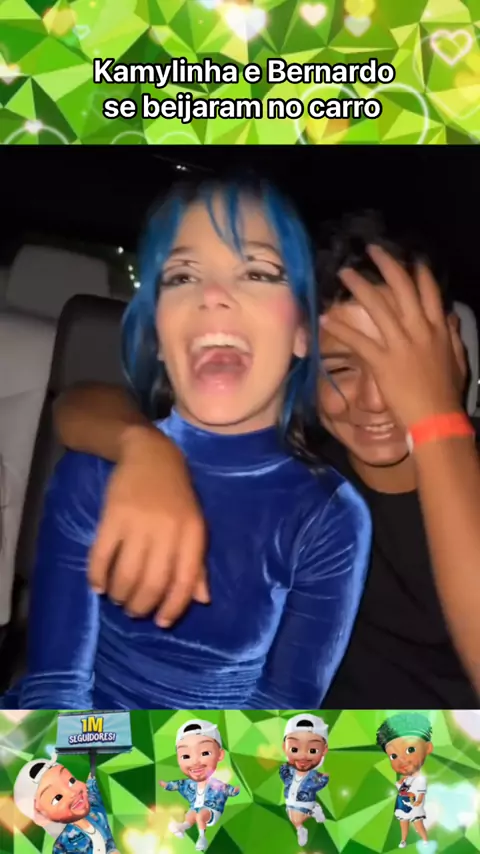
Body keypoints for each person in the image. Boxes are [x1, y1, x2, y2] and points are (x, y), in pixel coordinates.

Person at [51, 209, 480, 707]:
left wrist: (436, 416)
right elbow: (78, 404)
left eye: (400, 371)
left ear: (450, 349)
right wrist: (145, 450)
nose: (374, 401)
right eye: (340, 369)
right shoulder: (296, 462)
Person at [1, 180, 371, 710]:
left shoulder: (329, 517)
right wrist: (115, 758)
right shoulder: (96, 471)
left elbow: (280, 716)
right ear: (157, 330)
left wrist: (184, 761)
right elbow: (55, 691)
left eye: (258, 272)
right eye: (182, 276)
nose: (212, 294)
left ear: (302, 332)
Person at [159, 719, 239, 851]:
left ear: (220, 754)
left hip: (212, 810)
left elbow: (225, 789)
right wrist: (167, 785)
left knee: (200, 815)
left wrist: (233, 791)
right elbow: (178, 784)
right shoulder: (189, 783)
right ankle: (182, 827)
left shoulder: (215, 783)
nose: (195, 762)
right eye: (186, 756)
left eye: (205, 753)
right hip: (195, 808)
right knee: (191, 814)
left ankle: (202, 837)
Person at [13, 755, 119, 853]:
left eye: (71, 781)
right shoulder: (62, 845)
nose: (72, 793)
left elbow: (93, 778)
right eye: (57, 798)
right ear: (41, 817)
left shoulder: (94, 804)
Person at [376, 712, 433, 848]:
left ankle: (425, 840)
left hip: (414, 805)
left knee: (417, 823)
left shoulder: (420, 779)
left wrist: (417, 801)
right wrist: (401, 783)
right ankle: (403, 840)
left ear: (428, 748)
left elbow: (420, 793)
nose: (402, 760)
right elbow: (400, 789)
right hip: (402, 804)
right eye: (393, 756)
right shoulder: (405, 780)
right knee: (403, 822)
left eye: (410, 750)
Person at [280, 713, 329, 848]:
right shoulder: (289, 771)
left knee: (297, 818)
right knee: (293, 817)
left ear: (324, 750)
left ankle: (305, 822)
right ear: (285, 747)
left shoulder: (312, 776)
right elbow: (284, 776)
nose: (302, 756)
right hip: (290, 800)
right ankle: (311, 815)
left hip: (305, 800)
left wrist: (322, 779)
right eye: (295, 749)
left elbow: (319, 783)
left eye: (312, 750)